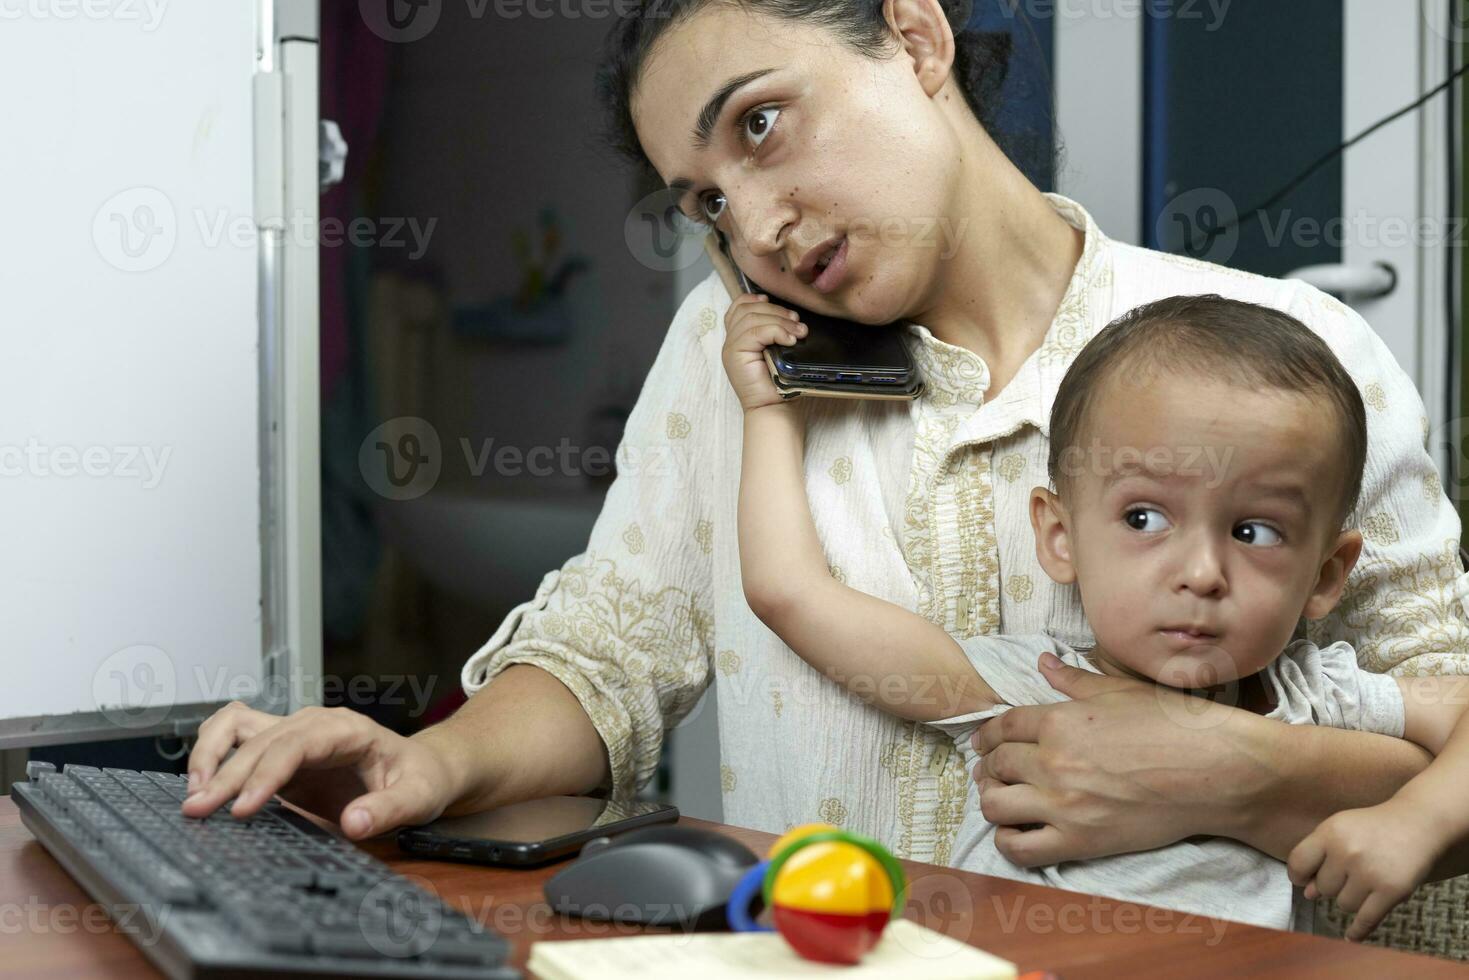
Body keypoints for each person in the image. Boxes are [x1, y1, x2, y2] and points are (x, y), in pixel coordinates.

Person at [181, 0, 1469, 925]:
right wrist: (432, 761)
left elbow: (1442, 734)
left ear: (913, 37)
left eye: (759, 126)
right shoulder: (740, 358)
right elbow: (612, 647)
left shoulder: (1294, 357)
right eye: (704, 203)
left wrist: (1238, 768)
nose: (754, 227)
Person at [725, 289, 1466, 932]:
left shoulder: (1317, 695)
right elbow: (790, 592)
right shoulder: (1028, 692)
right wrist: (770, 412)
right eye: (1144, 519)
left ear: (1324, 575)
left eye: (1253, 532)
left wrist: (1417, 820)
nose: (1201, 574)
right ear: (1059, 535)